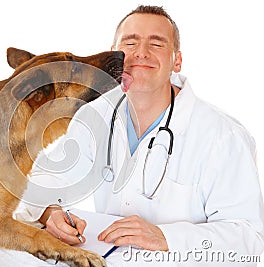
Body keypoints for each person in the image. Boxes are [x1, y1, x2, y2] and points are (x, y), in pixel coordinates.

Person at [14, 5, 264, 263]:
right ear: (115, 55)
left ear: (176, 60)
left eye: (156, 44)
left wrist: (166, 237)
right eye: (130, 42)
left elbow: (249, 238)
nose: (141, 53)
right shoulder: (94, 115)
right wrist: (49, 211)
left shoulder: (224, 136)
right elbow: (44, 179)